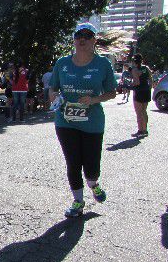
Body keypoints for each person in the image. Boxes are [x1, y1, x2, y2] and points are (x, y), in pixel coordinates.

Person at [49, 22, 117, 218]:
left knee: (91, 165)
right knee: (73, 162)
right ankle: (78, 201)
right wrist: (54, 97)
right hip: (65, 120)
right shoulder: (62, 63)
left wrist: (93, 99)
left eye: (87, 36)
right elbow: (53, 87)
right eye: (78, 35)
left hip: (92, 122)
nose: (82, 39)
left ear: (94, 40)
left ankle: (93, 184)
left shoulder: (103, 64)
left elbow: (112, 92)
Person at [130, 53, 151, 138]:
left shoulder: (134, 70)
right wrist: (149, 87)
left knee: (138, 112)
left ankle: (140, 130)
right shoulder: (146, 68)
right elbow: (150, 78)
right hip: (146, 90)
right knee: (144, 111)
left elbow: (137, 82)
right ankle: (145, 129)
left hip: (138, 91)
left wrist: (131, 85)